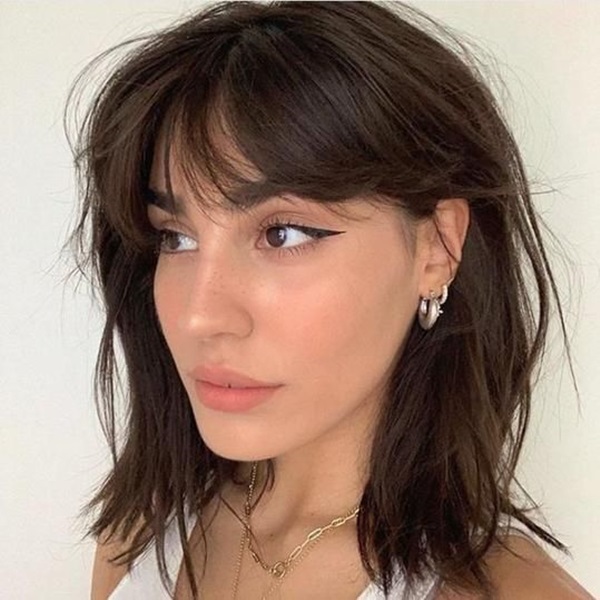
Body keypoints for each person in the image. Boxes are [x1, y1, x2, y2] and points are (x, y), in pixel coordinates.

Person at [67, 1, 594, 598]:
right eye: (176, 237)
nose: (199, 315)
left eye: (283, 234)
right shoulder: (140, 536)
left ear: (437, 248)